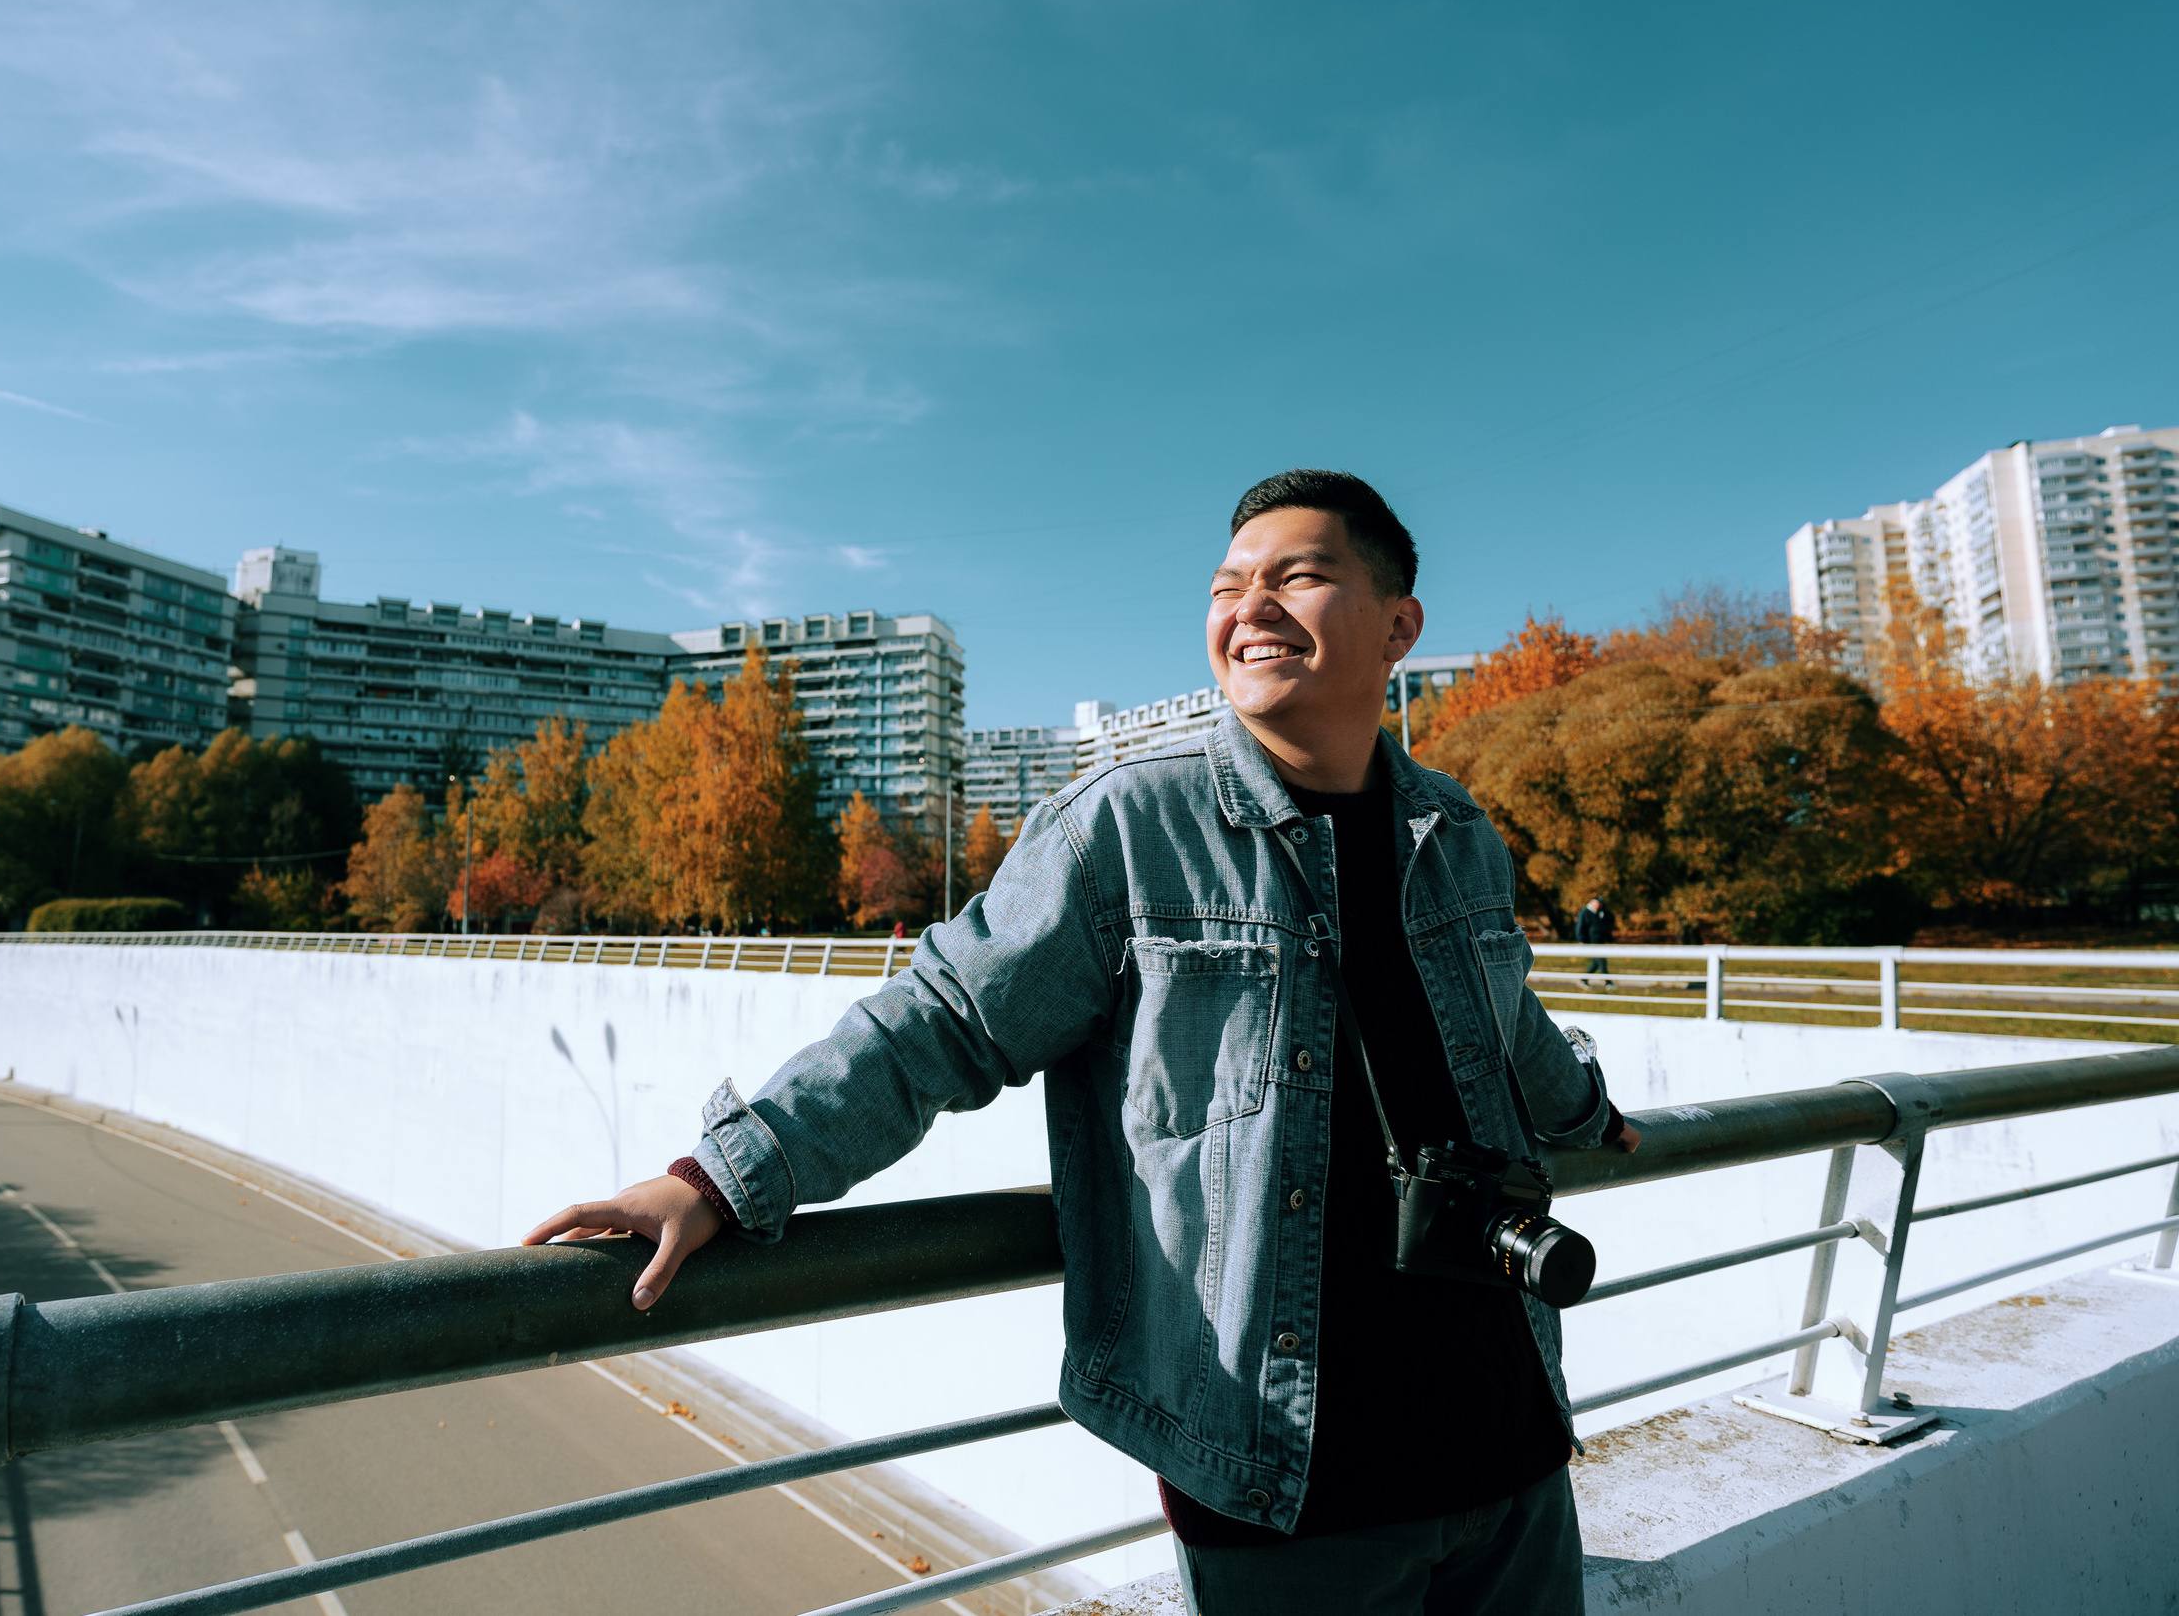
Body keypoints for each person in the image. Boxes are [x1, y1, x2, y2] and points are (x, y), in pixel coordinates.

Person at [527, 470, 1642, 1616]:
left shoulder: (1453, 832)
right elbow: (943, 1023)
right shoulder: (1126, 825)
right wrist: (718, 1178)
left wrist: (1588, 1118)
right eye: (1228, 586)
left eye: (1297, 577)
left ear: (1399, 625)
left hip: (1508, 1443)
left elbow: (1508, 1028)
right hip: (1285, 1481)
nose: (1249, 607)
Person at [1575, 896, 1613, 989]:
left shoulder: (1601, 912)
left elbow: (1606, 923)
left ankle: (1583, 980)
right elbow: (1580, 926)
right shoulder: (1585, 912)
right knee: (1602, 961)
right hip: (1591, 942)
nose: (1599, 905)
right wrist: (1581, 939)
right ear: (1591, 902)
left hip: (1600, 942)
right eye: (1597, 903)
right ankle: (1608, 983)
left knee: (1597, 963)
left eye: (1600, 903)